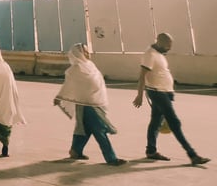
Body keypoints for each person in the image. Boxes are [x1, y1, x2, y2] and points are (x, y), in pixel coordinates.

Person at [133, 32, 210, 165]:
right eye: (168, 44)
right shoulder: (150, 55)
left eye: (171, 44)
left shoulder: (158, 54)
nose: (170, 47)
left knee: (155, 122)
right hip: (158, 93)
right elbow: (142, 76)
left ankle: (151, 151)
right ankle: (192, 155)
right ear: (159, 41)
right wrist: (139, 95)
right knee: (174, 122)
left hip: (163, 92)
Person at [55, 43, 126, 166]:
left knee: (85, 129)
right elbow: (68, 86)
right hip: (86, 104)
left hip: (94, 102)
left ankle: (75, 151)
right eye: (85, 52)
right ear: (79, 54)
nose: (88, 54)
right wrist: (60, 96)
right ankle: (111, 158)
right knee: (100, 130)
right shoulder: (74, 69)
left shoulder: (90, 65)